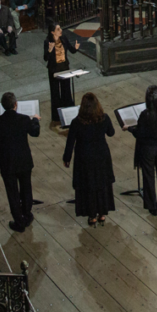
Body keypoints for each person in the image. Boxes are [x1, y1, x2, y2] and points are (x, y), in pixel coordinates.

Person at [0, 92, 41, 232]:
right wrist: (35, 120)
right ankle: (27, 215)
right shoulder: (24, 119)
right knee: (26, 188)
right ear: (15, 104)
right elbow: (35, 132)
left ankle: (18, 221)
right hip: (24, 161)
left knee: (12, 193)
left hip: (7, 162)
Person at [63, 93, 116, 226]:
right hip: (101, 156)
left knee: (88, 185)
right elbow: (111, 133)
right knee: (102, 184)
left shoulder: (76, 122)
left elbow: (70, 142)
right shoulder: (104, 118)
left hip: (84, 158)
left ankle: (92, 215)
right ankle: (102, 213)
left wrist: (67, 158)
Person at [124, 85, 157, 215]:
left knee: (149, 177)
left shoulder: (145, 115)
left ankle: (152, 206)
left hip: (148, 149)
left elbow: (139, 134)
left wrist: (129, 128)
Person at [44, 22, 80, 123]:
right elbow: (45, 58)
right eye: (58, 29)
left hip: (64, 68)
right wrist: (50, 50)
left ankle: (69, 113)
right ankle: (57, 117)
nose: (61, 30)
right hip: (54, 70)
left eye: (60, 28)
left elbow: (71, 49)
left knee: (66, 91)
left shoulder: (63, 38)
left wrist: (76, 48)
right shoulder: (47, 41)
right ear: (52, 32)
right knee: (55, 93)